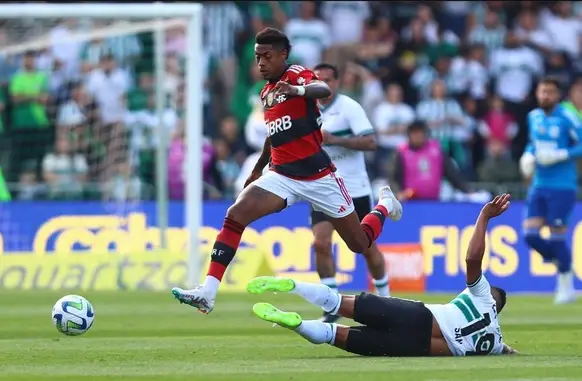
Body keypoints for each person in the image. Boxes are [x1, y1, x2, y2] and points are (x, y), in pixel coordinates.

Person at [171, 28, 402, 314]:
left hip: (319, 177)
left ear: (283, 54)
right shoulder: (267, 92)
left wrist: (296, 90)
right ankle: (208, 290)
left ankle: (384, 205)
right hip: (282, 176)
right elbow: (273, 135)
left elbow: (323, 89)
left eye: (267, 56)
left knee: (359, 243)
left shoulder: (295, 75)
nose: (261, 63)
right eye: (257, 58)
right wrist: (257, 170)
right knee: (235, 215)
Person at [247, 194, 518, 357]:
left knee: (339, 303)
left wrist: (484, 216)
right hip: (415, 348)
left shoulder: (482, 297)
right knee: (334, 335)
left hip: (421, 316)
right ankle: (295, 324)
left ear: (493, 300)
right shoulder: (493, 342)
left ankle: (293, 285)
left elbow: (472, 259)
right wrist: (508, 350)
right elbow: (505, 349)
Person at [310, 63, 390, 324]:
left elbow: (370, 142)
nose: (324, 84)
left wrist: (335, 140)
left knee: (365, 247)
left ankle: (386, 299)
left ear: (337, 82)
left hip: (354, 189)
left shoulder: (349, 107)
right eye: (319, 80)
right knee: (321, 243)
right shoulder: (306, 110)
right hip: (322, 187)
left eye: (329, 80)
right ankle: (332, 306)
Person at [519, 76, 582, 304]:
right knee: (530, 235)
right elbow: (532, 142)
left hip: (562, 186)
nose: (546, 96)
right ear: (537, 93)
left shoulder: (567, 117)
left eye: (550, 92)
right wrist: (527, 154)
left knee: (557, 238)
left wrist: (561, 154)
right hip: (539, 185)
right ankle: (563, 263)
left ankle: (566, 286)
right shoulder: (533, 117)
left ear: (557, 95)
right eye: (542, 91)